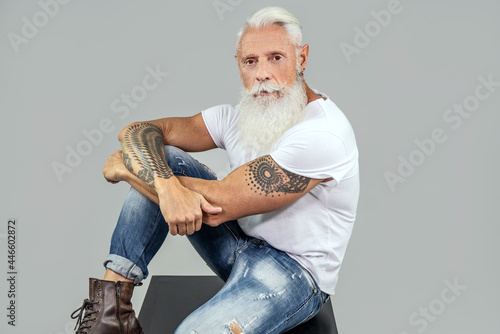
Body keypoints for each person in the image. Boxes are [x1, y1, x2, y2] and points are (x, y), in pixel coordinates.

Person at [71, 6, 359, 334]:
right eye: (251, 61)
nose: (263, 73)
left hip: (294, 276)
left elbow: (218, 206)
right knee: (161, 156)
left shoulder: (323, 135)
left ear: (302, 58)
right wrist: (165, 185)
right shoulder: (234, 117)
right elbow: (136, 132)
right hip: (238, 246)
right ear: (239, 65)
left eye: (276, 57)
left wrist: (127, 171)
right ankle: (112, 313)